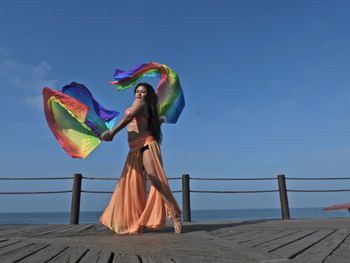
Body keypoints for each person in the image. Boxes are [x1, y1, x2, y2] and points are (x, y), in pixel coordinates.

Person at [99, 82, 183, 234]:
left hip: (146, 144)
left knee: (154, 178)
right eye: (137, 91)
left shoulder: (141, 104)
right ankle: (139, 220)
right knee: (131, 183)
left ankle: (175, 213)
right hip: (134, 148)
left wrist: (112, 133)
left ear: (148, 95)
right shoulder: (145, 107)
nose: (139, 94)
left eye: (143, 92)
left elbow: (129, 116)